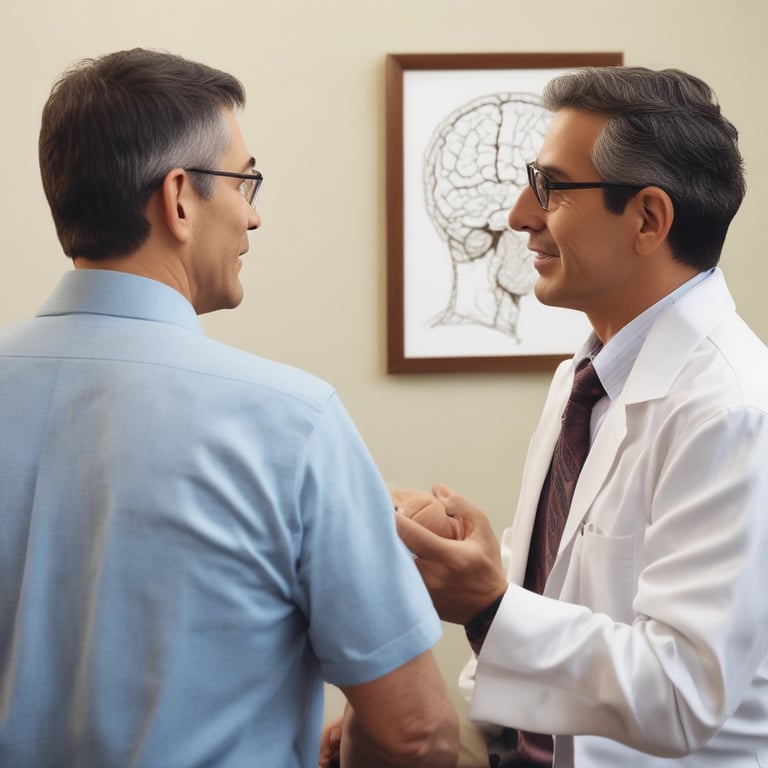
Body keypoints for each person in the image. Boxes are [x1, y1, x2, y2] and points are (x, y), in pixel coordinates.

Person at [0, 48, 458, 768]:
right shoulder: (292, 421)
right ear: (179, 198)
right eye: (245, 183)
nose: (253, 216)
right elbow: (419, 733)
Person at [394, 66, 768, 767]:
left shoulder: (733, 410)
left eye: (550, 189)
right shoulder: (587, 376)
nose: (518, 216)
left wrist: (488, 605)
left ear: (649, 219)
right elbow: (569, 584)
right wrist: (469, 553)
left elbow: (682, 692)